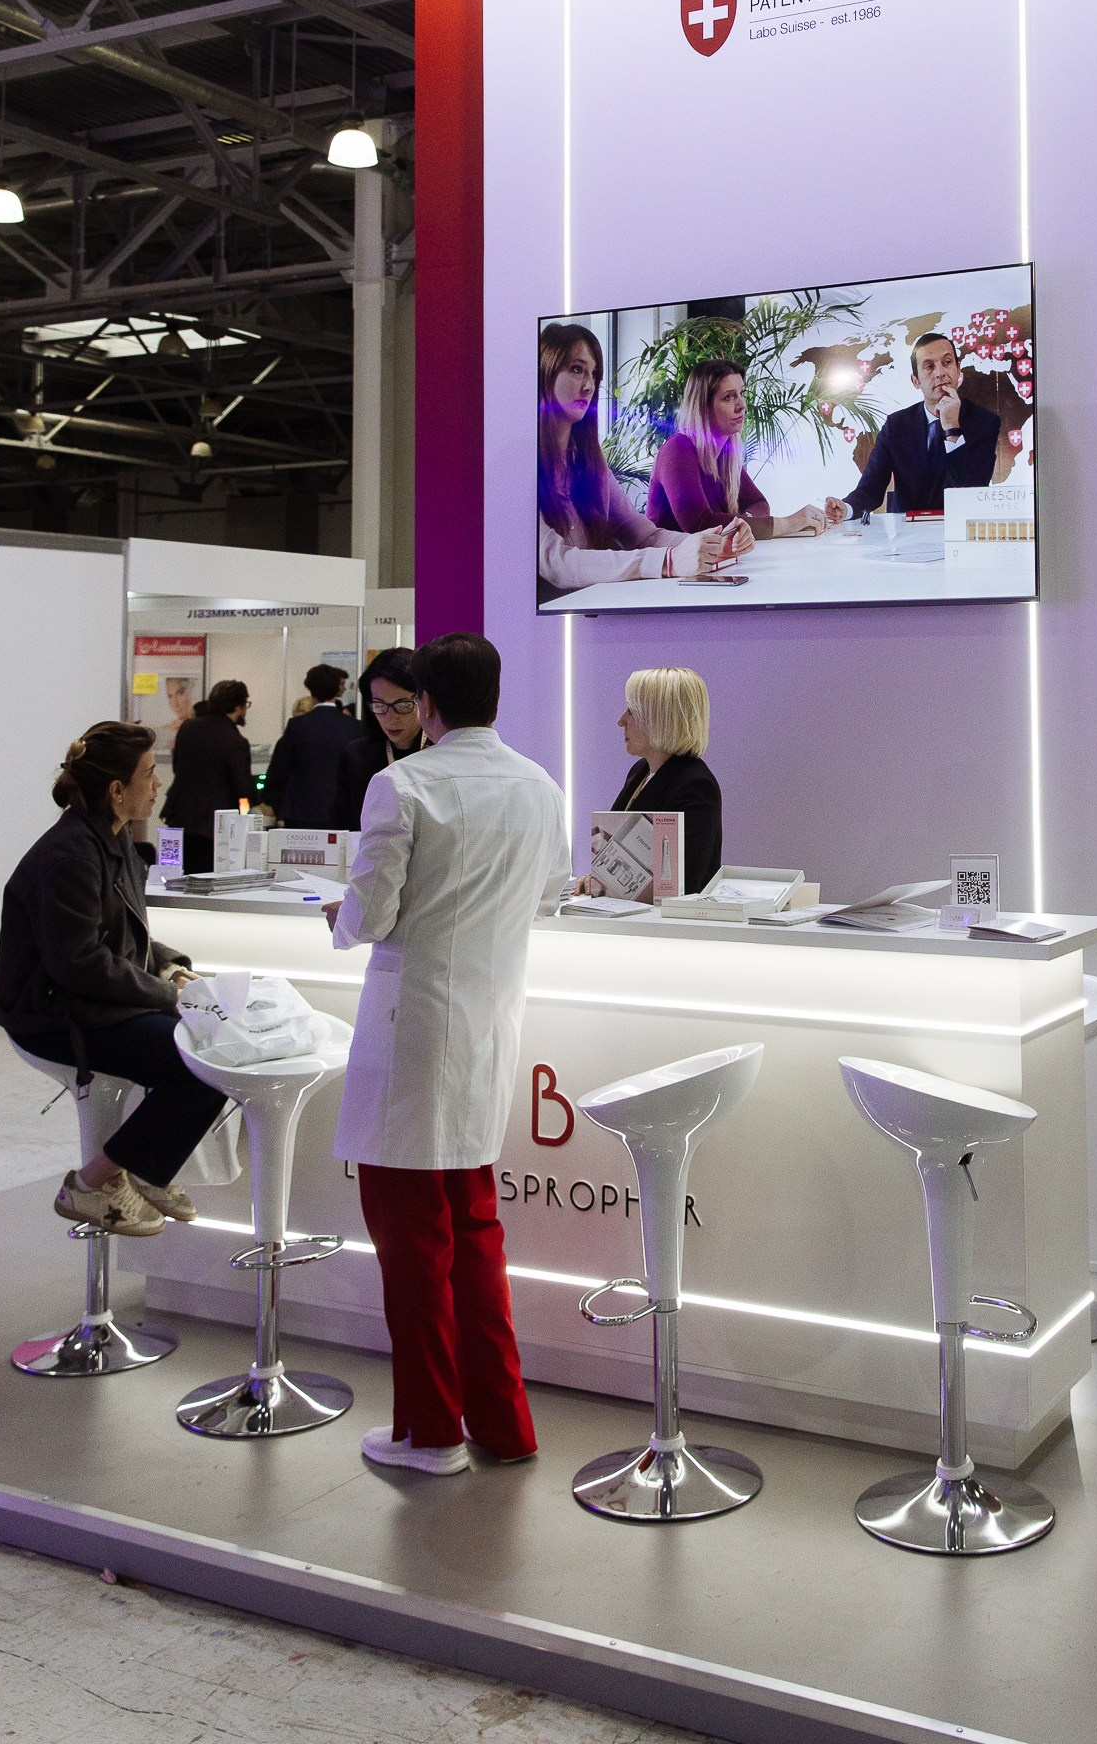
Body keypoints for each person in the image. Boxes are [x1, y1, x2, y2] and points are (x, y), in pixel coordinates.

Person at [329, 632, 569, 1477]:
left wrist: (339, 920)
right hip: (487, 1028)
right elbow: (548, 897)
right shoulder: (540, 786)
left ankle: (430, 1432)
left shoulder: (404, 785)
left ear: (426, 703)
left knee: (411, 1244)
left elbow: (370, 916)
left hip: (412, 1033)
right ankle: (502, 1423)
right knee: (474, 1232)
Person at [0, 722, 228, 1235]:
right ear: (117, 790)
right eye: (149, 774)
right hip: (51, 1016)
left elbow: (120, 936)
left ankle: (144, 1173)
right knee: (198, 1062)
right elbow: (80, 962)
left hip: (86, 1001)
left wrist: (170, 967)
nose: (158, 785)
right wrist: (167, 996)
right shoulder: (70, 856)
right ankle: (94, 1183)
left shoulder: (111, 841)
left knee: (210, 1048)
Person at [538, 321, 740, 596]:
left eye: (594, 374)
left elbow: (644, 535)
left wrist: (714, 544)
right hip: (545, 619)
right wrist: (668, 561)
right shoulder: (523, 465)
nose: (588, 386)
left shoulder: (591, 465)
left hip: (596, 608)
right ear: (545, 371)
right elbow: (557, 563)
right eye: (576, 369)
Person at [824, 331, 1001, 523]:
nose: (940, 373)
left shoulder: (985, 422)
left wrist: (952, 428)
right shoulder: (896, 425)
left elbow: (973, 491)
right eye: (929, 367)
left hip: (959, 529)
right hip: (906, 531)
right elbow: (871, 487)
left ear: (959, 370)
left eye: (947, 362)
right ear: (916, 381)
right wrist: (846, 509)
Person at [576, 667, 722, 899]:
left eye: (631, 711)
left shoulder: (696, 786)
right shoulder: (640, 772)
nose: (621, 721)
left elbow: (685, 882)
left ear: (659, 718)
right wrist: (597, 879)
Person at [647, 360, 825, 541]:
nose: (742, 405)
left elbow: (759, 503)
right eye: (728, 397)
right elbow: (699, 524)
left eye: (741, 393)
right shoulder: (678, 449)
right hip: (667, 558)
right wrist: (787, 523)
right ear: (703, 407)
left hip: (711, 557)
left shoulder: (725, 455)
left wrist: (744, 522)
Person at [162, 679, 252, 873]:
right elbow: (243, 788)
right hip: (214, 825)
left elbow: (177, 767)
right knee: (207, 878)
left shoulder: (188, 728)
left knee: (175, 874)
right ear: (238, 707)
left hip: (179, 815)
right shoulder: (235, 741)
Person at [336, 648, 426, 829]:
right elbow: (344, 822)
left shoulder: (441, 751)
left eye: (403, 705)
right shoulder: (357, 756)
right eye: (379, 705)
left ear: (424, 700)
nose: (391, 718)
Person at [261, 662, 355, 826]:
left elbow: (280, 769)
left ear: (310, 689)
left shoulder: (296, 726)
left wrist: (271, 801)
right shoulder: (354, 727)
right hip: (342, 813)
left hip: (301, 812)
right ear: (337, 689)